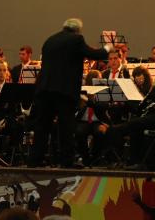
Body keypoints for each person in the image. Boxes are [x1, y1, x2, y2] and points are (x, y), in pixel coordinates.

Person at [28, 18, 110, 168]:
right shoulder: (76, 39)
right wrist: (107, 48)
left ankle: (35, 160)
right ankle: (66, 162)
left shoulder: (50, 40)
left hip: (45, 90)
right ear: (77, 30)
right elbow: (94, 54)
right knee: (65, 128)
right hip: (64, 91)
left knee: (42, 127)